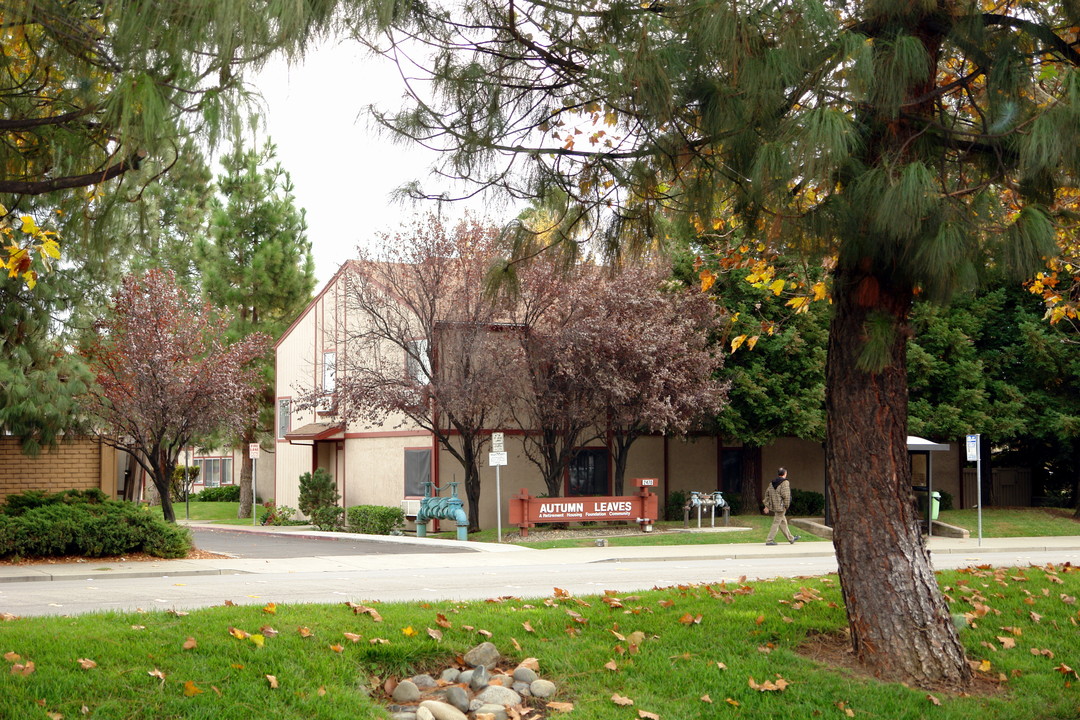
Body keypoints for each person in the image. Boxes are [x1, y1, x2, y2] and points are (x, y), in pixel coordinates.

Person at [762, 467, 800, 546]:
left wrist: (767, 506)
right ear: (785, 474)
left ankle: (791, 538)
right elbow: (786, 495)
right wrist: (786, 506)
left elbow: (767, 494)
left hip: (775, 506)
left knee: (783, 522)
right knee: (776, 523)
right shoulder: (785, 482)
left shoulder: (772, 483)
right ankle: (769, 540)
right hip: (781, 506)